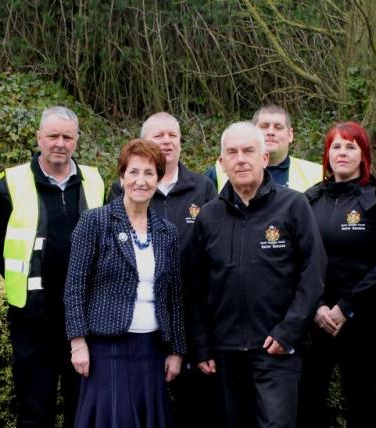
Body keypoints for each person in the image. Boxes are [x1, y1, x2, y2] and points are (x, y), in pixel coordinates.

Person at [190, 122, 326, 428]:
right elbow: (195, 287)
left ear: (264, 157)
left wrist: (287, 332)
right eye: (232, 152)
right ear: (221, 162)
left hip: (275, 349)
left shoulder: (293, 206)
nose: (240, 159)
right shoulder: (208, 216)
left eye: (248, 151)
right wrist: (201, 346)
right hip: (223, 354)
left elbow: (313, 274)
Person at [0, 106, 105, 427]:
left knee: (80, 410)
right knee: (34, 409)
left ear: (76, 140)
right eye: (52, 135)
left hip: (83, 320)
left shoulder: (94, 181)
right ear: (39, 137)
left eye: (67, 136)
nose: (59, 143)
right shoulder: (9, 183)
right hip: (32, 320)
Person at [105, 112, 218, 425]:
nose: (167, 141)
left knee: (194, 407)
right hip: (145, 317)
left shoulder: (204, 187)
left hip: (192, 312)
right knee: (143, 407)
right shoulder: (125, 188)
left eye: (173, 135)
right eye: (159, 135)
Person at [64, 139, 186, 427]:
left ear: (158, 178)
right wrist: (77, 342)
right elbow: (74, 287)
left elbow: (175, 297)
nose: (140, 181)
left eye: (149, 173)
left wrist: (177, 350)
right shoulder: (95, 221)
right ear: (121, 176)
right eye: (133, 172)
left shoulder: (166, 232)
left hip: (152, 349)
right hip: (107, 350)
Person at [298, 122, 376, 428]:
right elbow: (297, 258)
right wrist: (316, 308)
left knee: (360, 401)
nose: (342, 153)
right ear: (327, 155)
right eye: (336, 146)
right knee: (308, 399)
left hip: (363, 319)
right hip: (316, 318)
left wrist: (346, 307)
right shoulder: (308, 200)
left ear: (363, 154)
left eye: (350, 146)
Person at [205, 104, 322, 192]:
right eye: (264, 126)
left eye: (278, 127)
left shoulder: (316, 174)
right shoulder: (219, 172)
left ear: (290, 135)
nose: (271, 132)